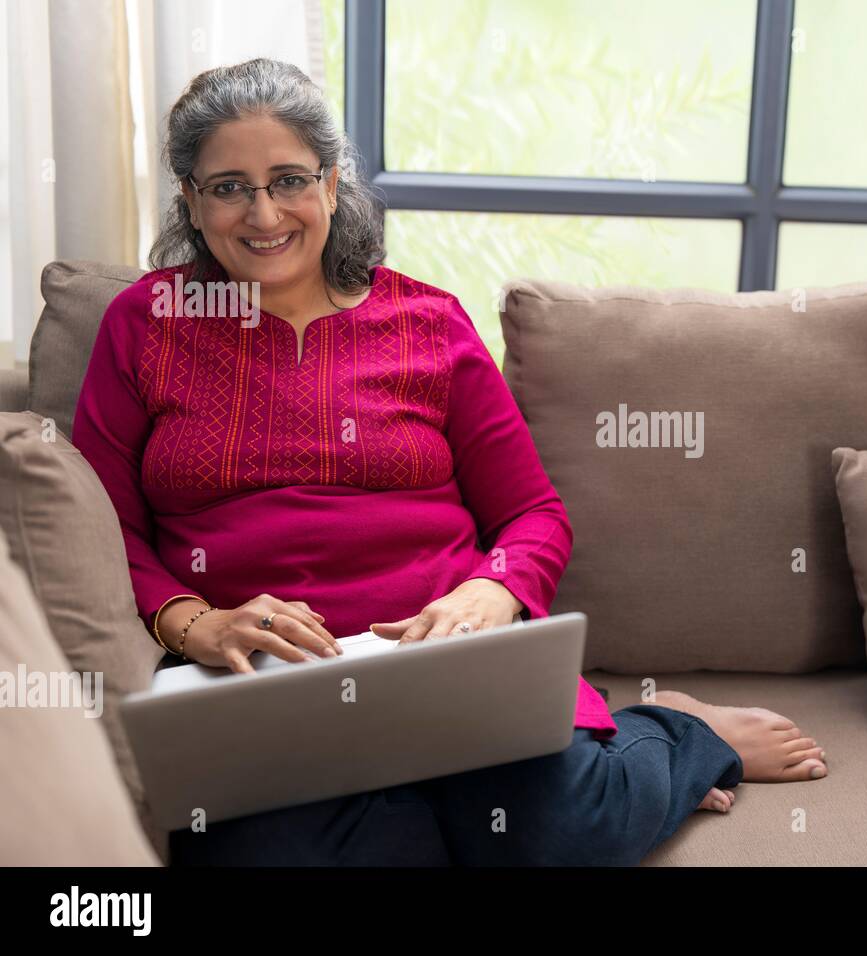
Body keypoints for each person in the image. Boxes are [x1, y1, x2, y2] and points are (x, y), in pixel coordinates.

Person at [72, 58, 827, 867]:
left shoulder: (427, 322)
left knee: (564, 835)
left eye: (289, 179)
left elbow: (533, 516)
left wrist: (489, 591)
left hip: (448, 671)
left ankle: (673, 730)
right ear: (191, 200)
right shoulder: (144, 325)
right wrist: (196, 623)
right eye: (229, 187)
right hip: (266, 688)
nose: (264, 214)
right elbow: (102, 532)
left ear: (332, 183)